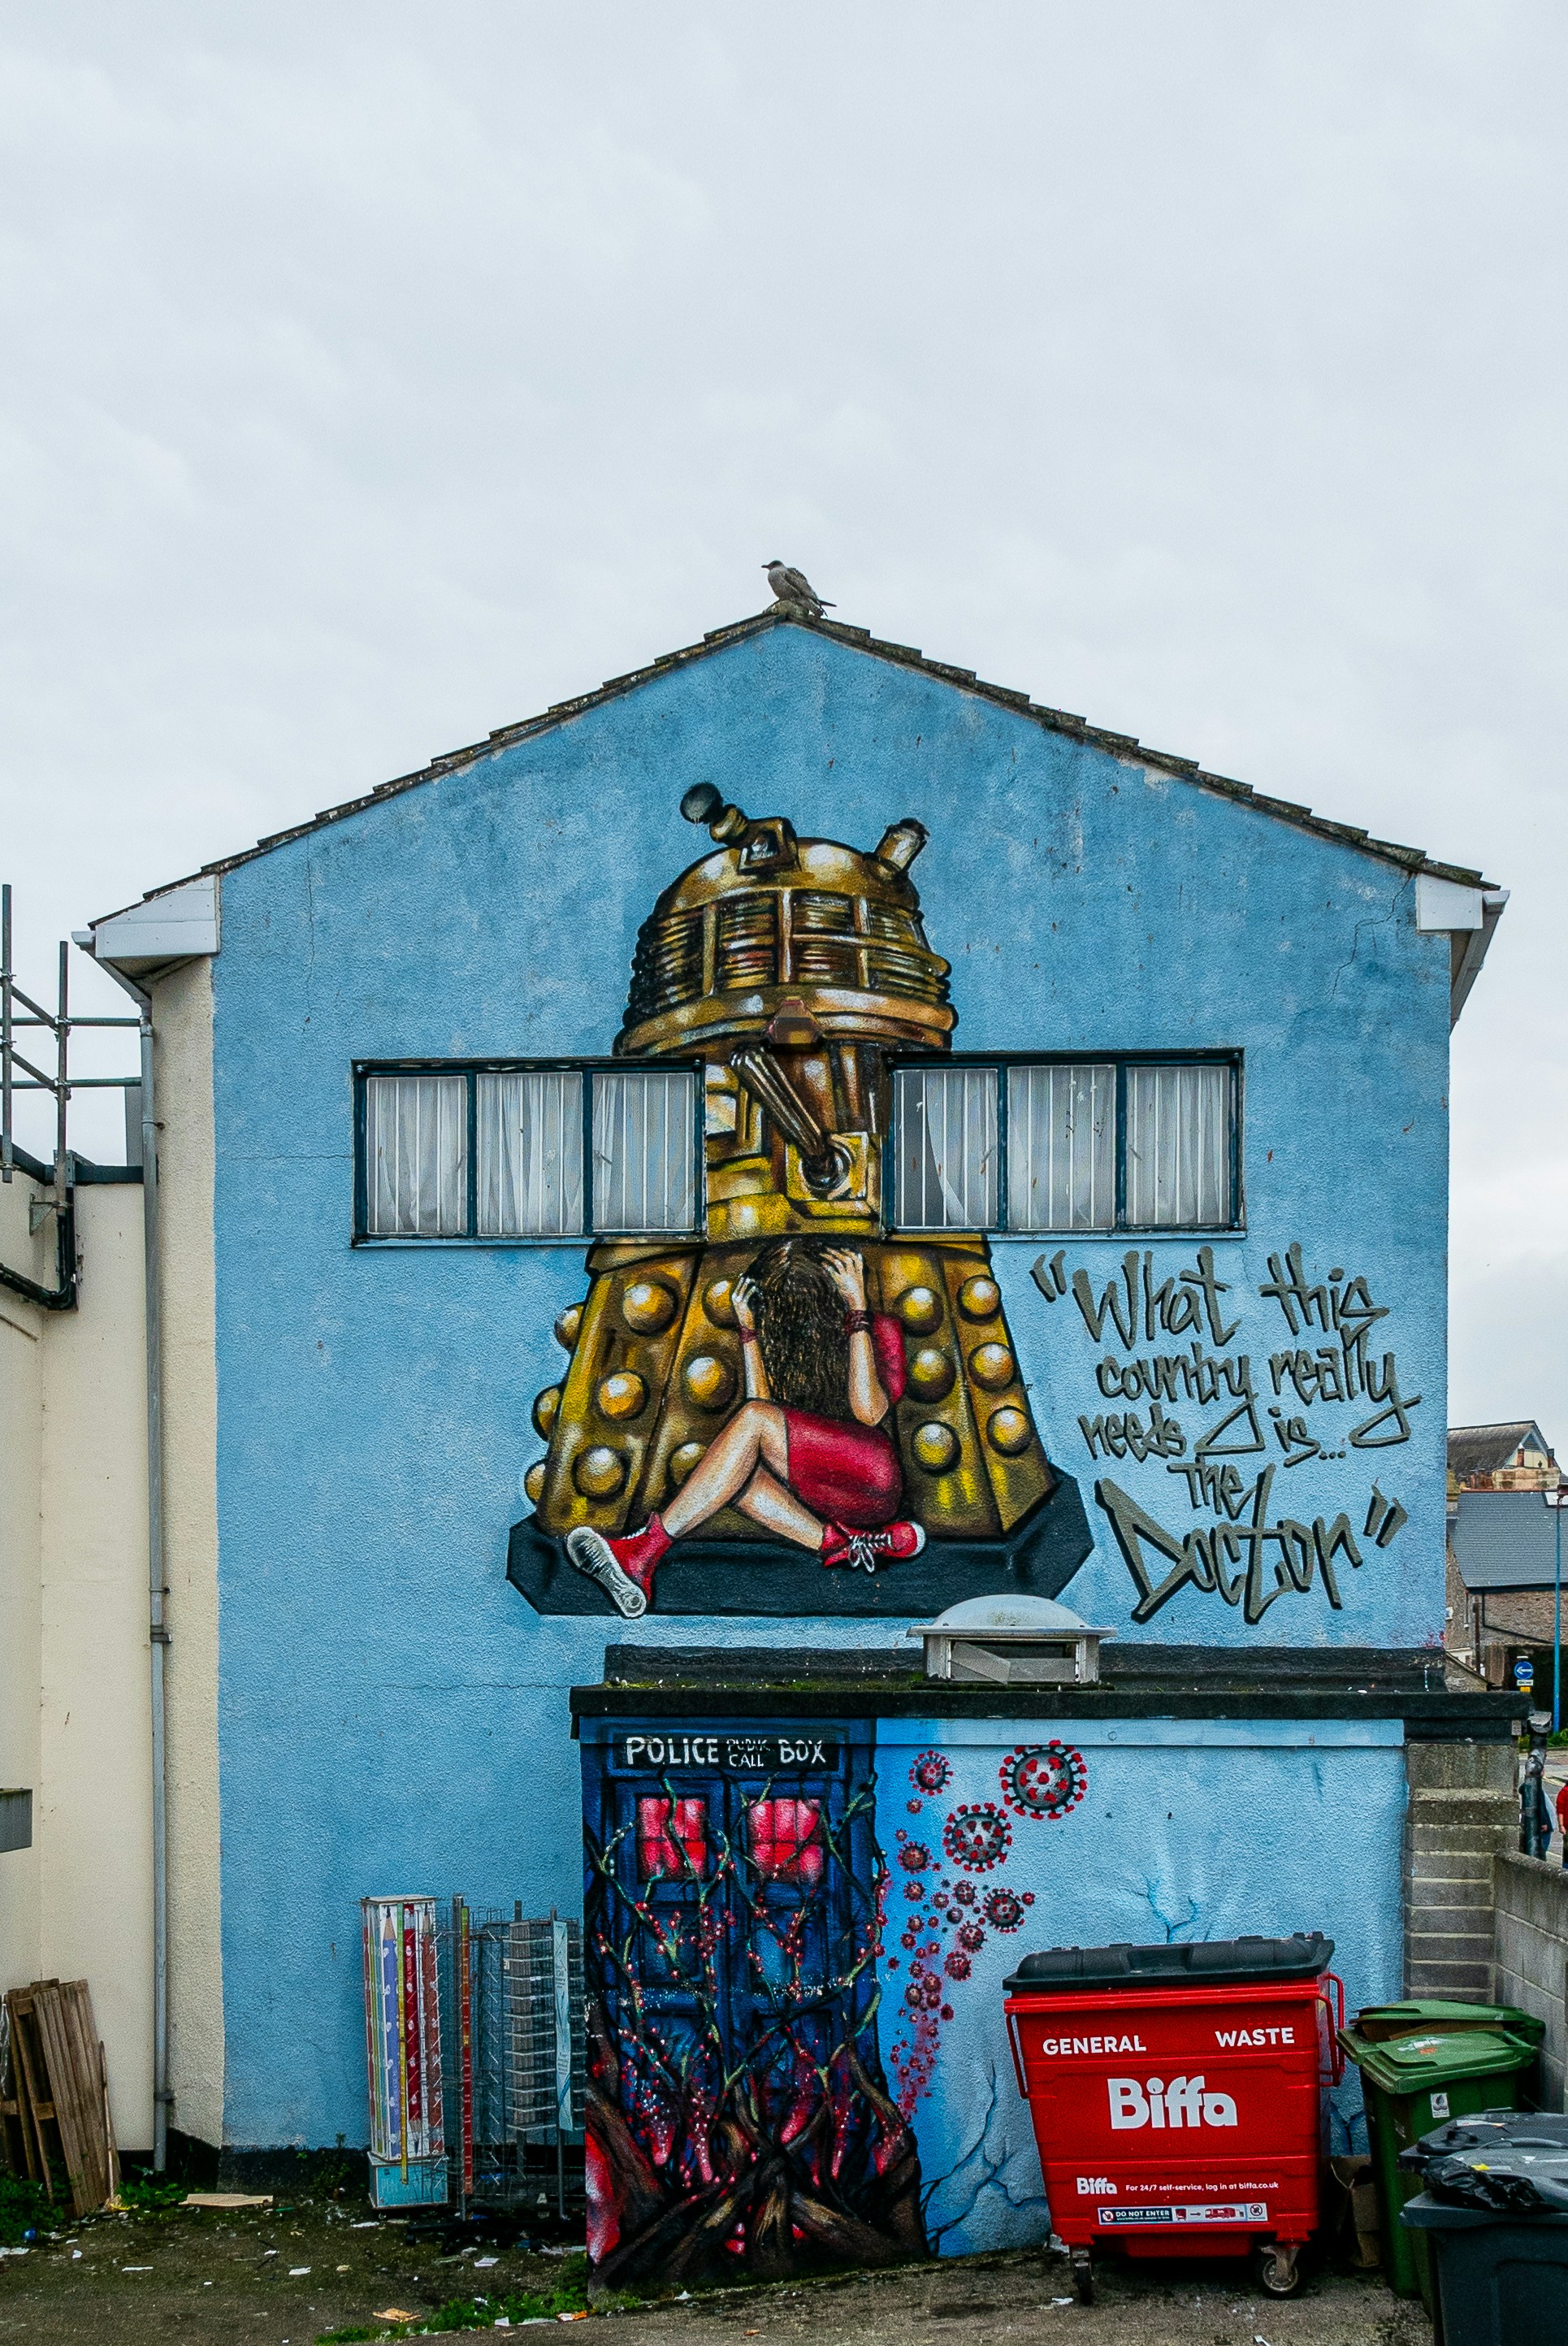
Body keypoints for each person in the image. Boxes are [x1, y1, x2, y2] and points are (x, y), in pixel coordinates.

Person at [566, 1239, 925, 1618]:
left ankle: (645, 1550)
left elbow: (868, 1412)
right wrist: (749, 1333)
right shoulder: (794, 1346)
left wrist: (857, 1311)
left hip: (872, 1476)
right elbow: (762, 1413)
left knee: (748, 1431)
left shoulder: (878, 1329)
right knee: (731, 1476)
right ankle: (846, 1544)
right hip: (819, 1482)